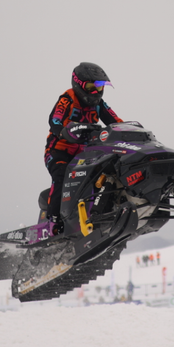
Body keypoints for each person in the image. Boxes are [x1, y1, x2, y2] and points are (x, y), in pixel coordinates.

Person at [44, 62, 123, 234]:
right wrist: (63, 132)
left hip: (84, 153)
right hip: (58, 151)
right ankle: (53, 223)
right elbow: (55, 120)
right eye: (90, 87)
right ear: (78, 84)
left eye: (99, 86)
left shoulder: (99, 104)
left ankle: (100, 214)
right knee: (61, 176)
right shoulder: (67, 99)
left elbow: (116, 122)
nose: (96, 92)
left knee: (103, 174)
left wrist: (127, 132)